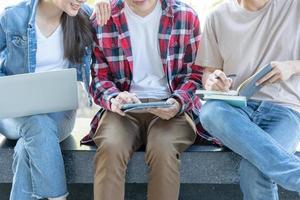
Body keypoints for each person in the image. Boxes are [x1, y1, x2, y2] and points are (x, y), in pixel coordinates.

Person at [81, 0, 202, 199]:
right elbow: (99, 79)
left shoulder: (185, 16)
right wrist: (114, 98)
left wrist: (178, 102)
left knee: (163, 148)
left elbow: (196, 76)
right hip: (124, 110)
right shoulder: (104, 18)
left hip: (171, 108)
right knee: (111, 146)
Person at [197, 0, 300, 199]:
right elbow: (208, 72)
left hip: (286, 111)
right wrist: (212, 81)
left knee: (255, 172)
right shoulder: (217, 16)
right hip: (236, 109)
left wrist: (292, 67)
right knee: (209, 111)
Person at [0, 0, 102, 199]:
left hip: (59, 116)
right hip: (13, 117)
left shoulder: (85, 15)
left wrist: (106, 7)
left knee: (27, 146)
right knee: (36, 123)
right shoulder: (12, 18)